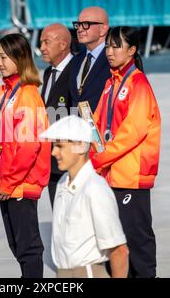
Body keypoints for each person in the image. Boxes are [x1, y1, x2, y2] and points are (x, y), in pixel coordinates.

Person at [90, 26, 161, 278]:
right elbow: (97, 124)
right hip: (110, 173)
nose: (110, 51)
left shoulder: (137, 82)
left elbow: (134, 131)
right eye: (108, 46)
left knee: (136, 239)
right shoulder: (112, 82)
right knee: (115, 242)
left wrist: (99, 158)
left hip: (130, 175)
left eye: (116, 46)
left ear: (132, 50)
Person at [0, 33, 51, 278]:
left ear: (20, 58)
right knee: (16, 244)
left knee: (28, 247)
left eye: (4, 57)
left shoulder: (28, 94)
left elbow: (28, 146)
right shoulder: (5, 91)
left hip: (21, 183)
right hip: (6, 182)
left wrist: (9, 182)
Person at [40, 115, 129, 278]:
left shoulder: (95, 188)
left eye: (60, 146)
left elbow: (119, 252)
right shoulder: (61, 184)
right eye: (54, 146)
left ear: (80, 146)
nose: (53, 152)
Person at [39, 23, 74, 208]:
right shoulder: (48, 73)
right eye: (41, 43)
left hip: (70, 159)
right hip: (52, 160)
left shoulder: (76, 70)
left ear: (63, 44)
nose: (42, 48)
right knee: (60, 216)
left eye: (46, 42)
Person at [69, 6, 111, 113]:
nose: (80, 29)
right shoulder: (75, 60)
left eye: (86, 24)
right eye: (78, 24)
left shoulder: (115, 60)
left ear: (103, 29)